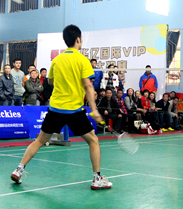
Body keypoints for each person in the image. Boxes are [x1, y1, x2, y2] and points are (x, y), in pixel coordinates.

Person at [10, 25, 111, 190]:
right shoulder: (83, 60)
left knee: (40, 140)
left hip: (55, 108)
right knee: (93, 140)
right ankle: (97, 178)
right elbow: (88, 86)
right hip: (74, 110)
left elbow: (50, 81)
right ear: (78, 39)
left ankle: (19, 169)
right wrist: (94, 110)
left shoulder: (57, 60)